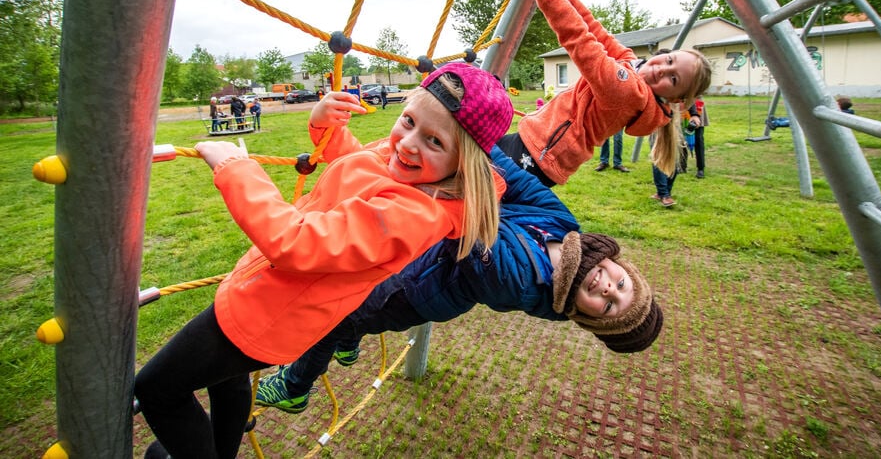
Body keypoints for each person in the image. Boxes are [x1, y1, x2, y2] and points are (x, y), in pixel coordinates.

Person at [135, 63, 514, 459]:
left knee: (157, 388)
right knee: (227, 382)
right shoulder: (409, 171)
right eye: (408, 120)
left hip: (267, 315)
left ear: (462, 162)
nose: (407, 143)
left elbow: (296, 242)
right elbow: (356, 164)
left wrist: (234, 167)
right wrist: (324, 125)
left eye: (434, 141)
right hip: (265, 301)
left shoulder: (416, 214)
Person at [254, 147, 663, 414]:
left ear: (587, 317)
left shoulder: (519, 283)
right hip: (424, 257)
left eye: (609, 306)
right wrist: (477, 138)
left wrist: (457, 148)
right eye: (622, 285)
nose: (609, 289)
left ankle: (295, 386)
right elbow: (516, 181)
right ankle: (347, 346)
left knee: (342, 313)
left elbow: (471, 219)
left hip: (415, 291)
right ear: (621, 267)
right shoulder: (564, 226)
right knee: (354, 316)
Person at [497, 0, 711, 187]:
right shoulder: (631, 65)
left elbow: (580, 39)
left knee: (469, 178)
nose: (662, 69)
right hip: (539, 148)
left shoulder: (630, 92)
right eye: (669, 60)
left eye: (674, 78)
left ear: (676, 99)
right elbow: (592, 27)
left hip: (540, 155)